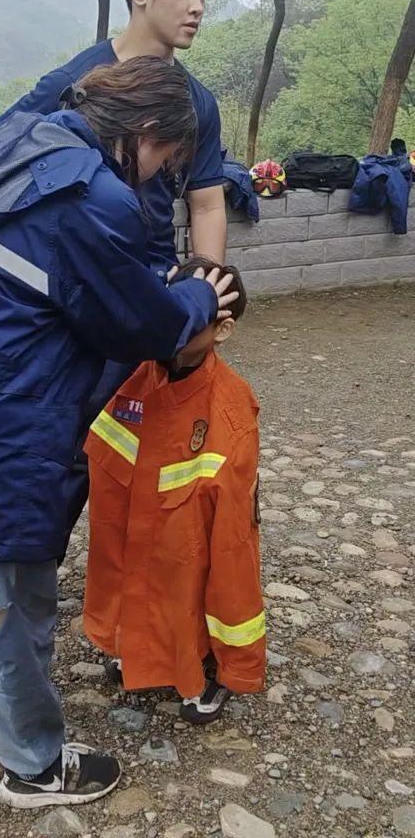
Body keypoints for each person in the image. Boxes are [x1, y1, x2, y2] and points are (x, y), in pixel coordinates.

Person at [0, 58, 239, 810]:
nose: (161, 177)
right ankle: (31, 764)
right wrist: (198, 295)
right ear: (147, 133)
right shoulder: (92, 196)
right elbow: (136, 323)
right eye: (168, 160)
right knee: (11, 606)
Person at [2, 0, 227, 555]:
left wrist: (206, 296)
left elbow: (206, 201)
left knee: (162, 454)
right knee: (69, 449)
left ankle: (146, 609)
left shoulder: (196, 102)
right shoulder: (79, 82)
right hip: (78, 292)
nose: (198, 7)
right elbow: (10, 156)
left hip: (156, 292)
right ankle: (28, 578)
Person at [83, 256, 266, 725]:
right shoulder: (135, 375)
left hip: (188, 540)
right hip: (138, 526)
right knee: (134, 572)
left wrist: (240, 663)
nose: (173, 330)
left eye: (191, 320)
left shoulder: (228, 410)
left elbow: (233, 549)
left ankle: (208, 670)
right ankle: (137, 647)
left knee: (196, 582)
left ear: (221, 330)